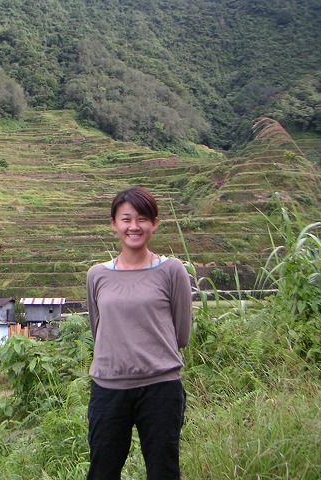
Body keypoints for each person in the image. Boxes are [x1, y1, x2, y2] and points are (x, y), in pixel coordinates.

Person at [86, 186, 193, 480]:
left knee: (163, 471)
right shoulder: (97, 275)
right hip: (108, 388)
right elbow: (99, 329)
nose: (134, 226)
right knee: (102, 472)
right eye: (126, 219)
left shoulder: (172, 271)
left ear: (154, 224)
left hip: (160, 387)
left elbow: (181, 334)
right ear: (114, 224)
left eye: (142, 219)